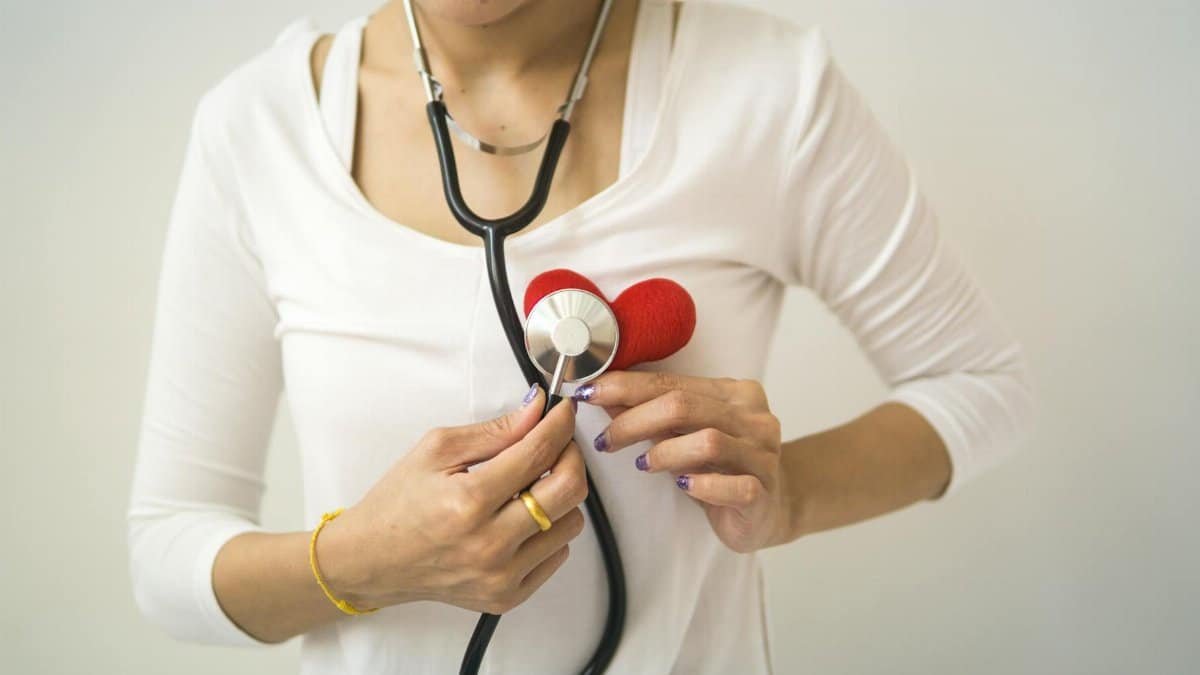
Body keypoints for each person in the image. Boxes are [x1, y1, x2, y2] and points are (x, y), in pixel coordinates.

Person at [126, 0, 1035, 672]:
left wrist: (785, 492)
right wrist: (367, 560)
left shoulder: (767, 88)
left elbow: (980, 384)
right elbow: (165, 552)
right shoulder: (259, 129)